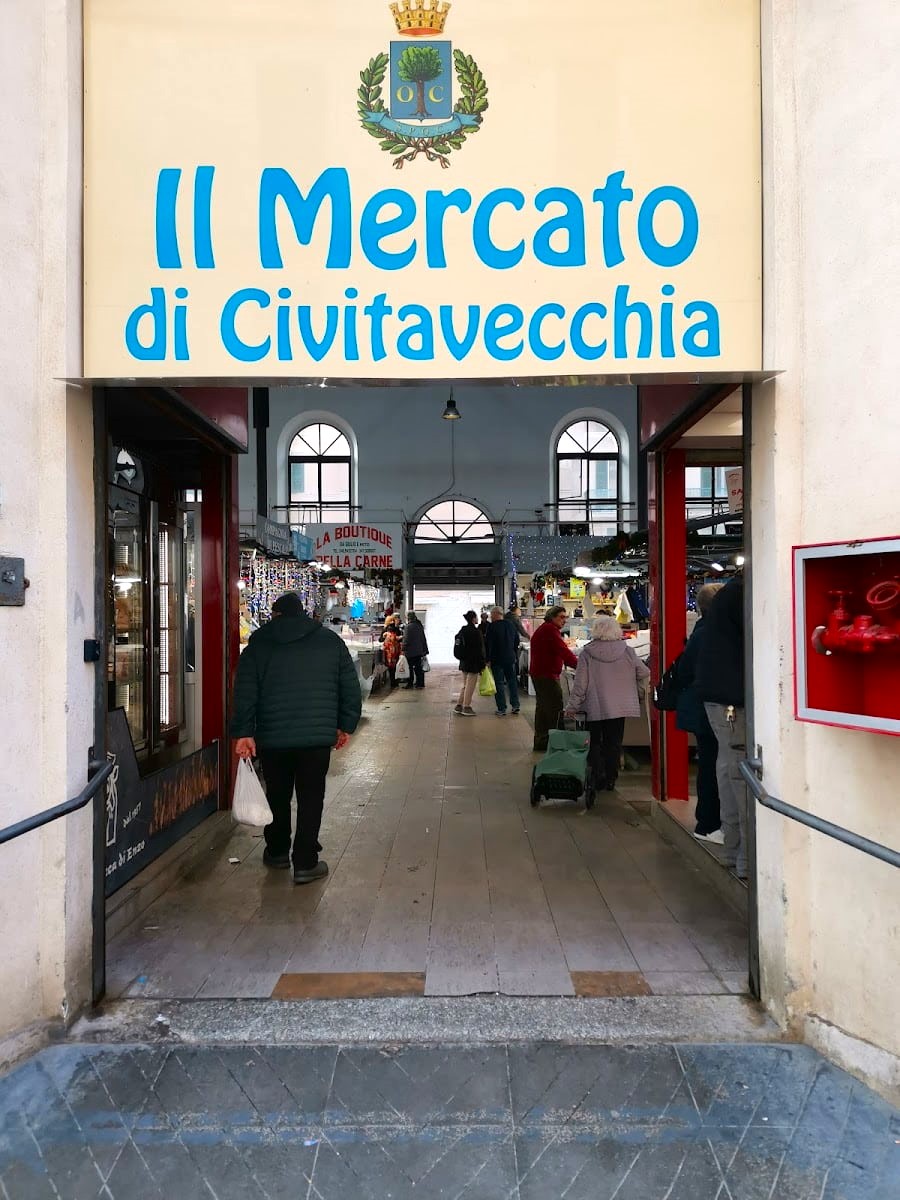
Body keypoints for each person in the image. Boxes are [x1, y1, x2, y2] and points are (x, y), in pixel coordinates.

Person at [231, 592, 362, 884]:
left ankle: (277, 851)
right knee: (311, 798)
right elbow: (350, 688)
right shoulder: (330, 642)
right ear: (303, 613)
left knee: (277, 794)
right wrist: (345, 726)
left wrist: (244, 732)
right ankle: (305, 862)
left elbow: (244, 691)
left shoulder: (259, 643)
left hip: (272, 737)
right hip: (316, 739)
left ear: (276, 614)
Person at [695, 573, 747, 879]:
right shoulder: (743, 594)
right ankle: (746, 858)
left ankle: (733, 851)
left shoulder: (727, 597)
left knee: (727, 767)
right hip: (733, 698)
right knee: (739, 773)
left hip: (717, 696)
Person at [566, 614, 650, 792]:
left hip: (594, 705)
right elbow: (644, 672)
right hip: (620, 707)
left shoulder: (587, 653)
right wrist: (636, 690)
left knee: (594, 742)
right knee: (613, 743)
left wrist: (572, 707)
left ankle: (597, 776)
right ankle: (611, 778)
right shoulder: (628, 651)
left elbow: (580, 685)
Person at [675, 583, 724, 841]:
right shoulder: (713, 633)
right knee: (714, 766)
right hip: (713, 710)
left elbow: (684, 671)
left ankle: (709, 822)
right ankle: (709, 824)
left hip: (702, 710)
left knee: (710, 764)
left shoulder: (699, 632)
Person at [529, 605, 579, 752]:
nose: (564, 620)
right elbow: (563, 651)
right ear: (552, 617)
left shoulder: (546, 629)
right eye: (561, 617)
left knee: (543, 709)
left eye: (565, 617)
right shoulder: (550, 630)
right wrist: (580, 666)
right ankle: (557, 744)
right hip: (547, 675)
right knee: (554, 709)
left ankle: (542, 741)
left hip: (541, 673)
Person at [485, 605, 520, 716]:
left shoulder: (491, 627)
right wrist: (513, 652)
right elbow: (517, 640)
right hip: (510, 658)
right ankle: (515, 705)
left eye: (491, 615)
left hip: (497, 659)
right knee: (512, 682)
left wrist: (488, 659)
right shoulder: (510, 624)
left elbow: (488, 644)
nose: (491, 617)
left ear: (496, 614)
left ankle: (502, 708)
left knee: (499, 683)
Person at [453, 610, 485, 716]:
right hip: (473, 663)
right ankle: (466, 707)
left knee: (466, 685)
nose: (477, 619)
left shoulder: (462, 630)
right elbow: (479, 649)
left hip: (464, 662)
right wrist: (482, 664)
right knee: (470, 686)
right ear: (473, 619)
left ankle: (459, 705)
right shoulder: (475, 632)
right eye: (476, 617)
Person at [401, 611, 429, 690]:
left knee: (409, 668)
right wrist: (425, 649)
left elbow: (406, 639)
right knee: (418, 667)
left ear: (408, 617)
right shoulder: (419, 625)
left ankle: (410, 683)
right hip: (419, 651)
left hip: (410, 651)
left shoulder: (408, 627)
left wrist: (403, 648)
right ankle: (420, 683)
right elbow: (423, 638)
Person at [381, 615, 402, 689]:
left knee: (390, 668)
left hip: (389, 652)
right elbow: (400, 639)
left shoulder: (385, 631)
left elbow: (380, 640)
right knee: (396, 666)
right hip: (396, 651)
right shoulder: (396, 629)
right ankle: (396, 681)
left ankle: (392, 682)